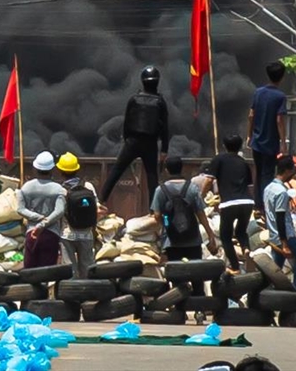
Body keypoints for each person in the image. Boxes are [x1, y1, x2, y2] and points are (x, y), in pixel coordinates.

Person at [151, 156, 218, 322]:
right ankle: (199, 312)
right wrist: (210, 235)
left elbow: (157, 216)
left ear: (166, 169)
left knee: (176, 276)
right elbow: (201, 213)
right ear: (183, 169)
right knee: (197, 276)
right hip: (193, 239)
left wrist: (167, 224)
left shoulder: (161, 190)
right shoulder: (192, 188)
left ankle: (179, 310)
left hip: (172, 241)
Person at [99, 66, 169, 205]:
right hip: (150, 143)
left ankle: (101, 201)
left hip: (132, 142)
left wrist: (127, 141)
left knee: (116, 171)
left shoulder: (134, 99)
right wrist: (164, 150)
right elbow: (165, 128)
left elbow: (127, 123)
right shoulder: (160, 102)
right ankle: (153, 210)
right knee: (152, 177)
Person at [203, 135, 254, 274]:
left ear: (224, 145)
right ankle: (246, 249)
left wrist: (200, 198)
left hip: (229, 203)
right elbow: (250, 187)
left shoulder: (219, 159)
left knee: (225, 236)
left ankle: (235, 266)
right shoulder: (244, 163)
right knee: (241, 232)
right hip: (247, 202)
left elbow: (208, 181)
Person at [247, 61, 288, 216]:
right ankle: (265, 206)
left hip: (257, 141)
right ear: (281, 77)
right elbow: (279, 120)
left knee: (258, 172)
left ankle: (257, 205)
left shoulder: (258, 92)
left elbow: (251, 115)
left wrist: (249, 135)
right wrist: (283, 142)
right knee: (267, 174)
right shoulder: (280, 96)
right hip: (270, 143)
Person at [18, 151, 67, 269]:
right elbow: (59, 211)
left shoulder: (26, 187)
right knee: (47, 273)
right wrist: (44, 222)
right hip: (51, 235)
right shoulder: (58, 189)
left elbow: (20, 209)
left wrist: (37, 218)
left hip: (31, 234)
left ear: (35, 169)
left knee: (30, 273)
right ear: (52, 170)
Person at [56, 152, 101, 279]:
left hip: (67, 235)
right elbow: (96, 209)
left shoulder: (61, 190)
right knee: (87, 268)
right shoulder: (88, 186)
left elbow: (59, 213)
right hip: (87, 234)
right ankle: (88, 294)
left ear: (61, 171)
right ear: (77, 169)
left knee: (70, 269)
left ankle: (72, 295)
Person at [264, 155, 296, 291]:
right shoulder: (281, 192)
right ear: (287, 170)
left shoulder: (268, 188)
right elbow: (280, 218)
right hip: (287, 237)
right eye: (293, 170)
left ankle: (272, 296)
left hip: (274, 236)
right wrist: (285, 244)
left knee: (275, 272)